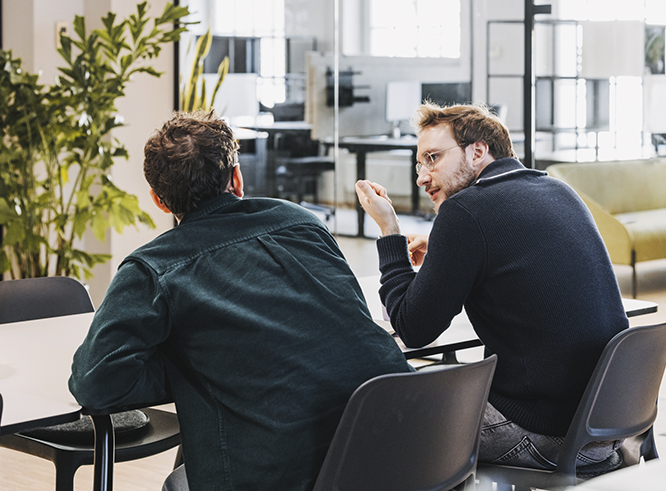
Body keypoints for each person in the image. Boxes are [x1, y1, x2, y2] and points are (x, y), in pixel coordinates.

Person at [69, 110, 411, 491]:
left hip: (287, 474)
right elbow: (347, 325)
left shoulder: (153, 268)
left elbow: (95, 383)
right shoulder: (304, 224)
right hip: (407, 451)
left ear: (159, 201)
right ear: (237, 178)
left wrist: (190, 366)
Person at [355, 102, 629, 470]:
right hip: (607, 420)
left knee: (377, 419)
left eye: (433, 158)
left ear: (478, 151)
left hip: (544, 433)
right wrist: (446, 250)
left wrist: (390, 232)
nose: (422, 177)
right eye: (419, 164)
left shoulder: (465, 212)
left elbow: (413, 329)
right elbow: (523, 256)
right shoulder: (558, 191)